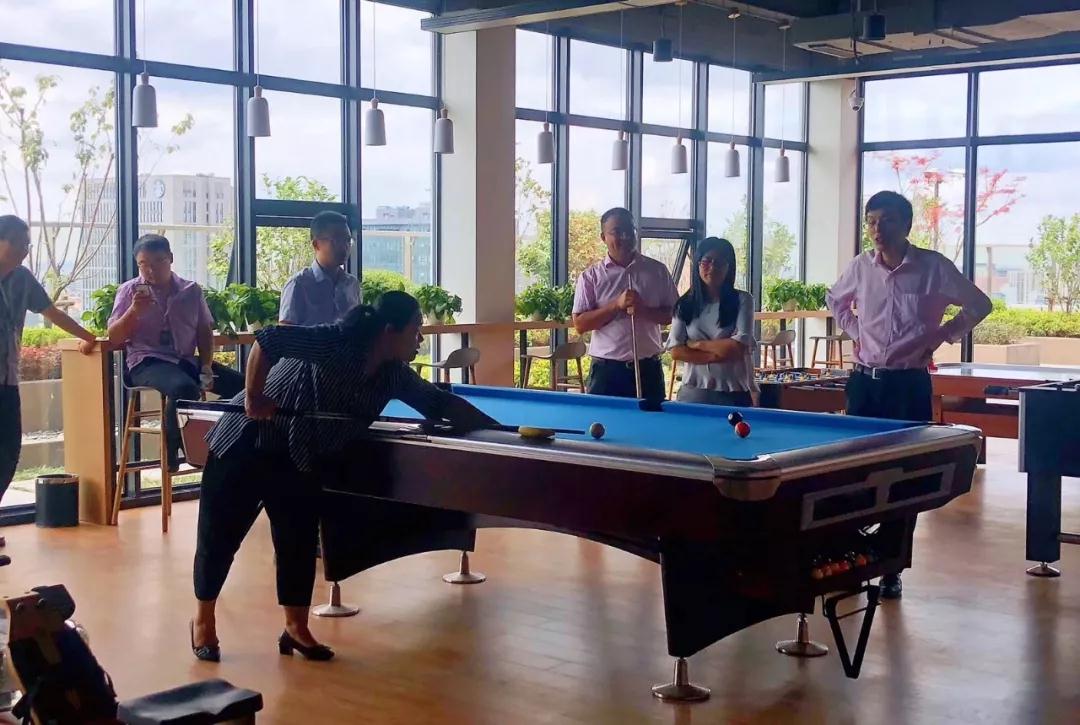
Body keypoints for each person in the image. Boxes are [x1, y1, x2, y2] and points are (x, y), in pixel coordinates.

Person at [190, 291, 498, 663]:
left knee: (297, 542)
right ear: (389, 330)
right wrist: (253, 397)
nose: (421, 338)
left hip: (298, 454)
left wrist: (496, 430)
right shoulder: (335, 341)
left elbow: (440, 403)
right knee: (220, 536)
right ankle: (203, 621)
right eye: (415, 329)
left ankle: (295, 629)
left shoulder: (393, 374)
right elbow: (267, 340)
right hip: (245, 440)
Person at [826, 190, 992, 600]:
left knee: (904, 476)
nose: (877, 229)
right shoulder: (860, 267)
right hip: (865, 383)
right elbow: (835, 300)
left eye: (886, 221)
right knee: (852, 471)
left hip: (908, 383)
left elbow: (979, 304)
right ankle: (852, 559)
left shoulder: (933, 267)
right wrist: (856, 330)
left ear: (906, 225)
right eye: (871, 221)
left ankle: (891, 566)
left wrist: (943, 334)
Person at [107, 234, 243, 471]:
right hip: (146, 362)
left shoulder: (191, 291)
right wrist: (134, 310)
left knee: (244, 387)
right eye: (143, 264)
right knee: (184, 388)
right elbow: (114, 336)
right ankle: (173, 449)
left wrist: (206, 366)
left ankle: (222, 436)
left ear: (170, 258)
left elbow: (204, 332)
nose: (150, 270)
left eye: (158, 262)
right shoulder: (129, 291)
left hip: (186, 361)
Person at [0, 215, 97, 517]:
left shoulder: (22, 278)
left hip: (7, 380)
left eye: (27, 245)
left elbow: (51, 312)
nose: (24, 250)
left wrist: (88, 337)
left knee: (9, 452)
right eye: (18, 243)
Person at [572, 208, 679, 402]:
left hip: (648, 370)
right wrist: (616, 305)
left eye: (630, 230)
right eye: (617, 231)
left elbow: (673, 314)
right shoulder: (590, 277)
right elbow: (580, 324)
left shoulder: (658, 271)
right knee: (602, 420)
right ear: (603, 237)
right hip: (606, 372)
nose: (625, 236)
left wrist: (644, 310)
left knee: (652, 421)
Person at [667, 237, 757, 406]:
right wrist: (716, 354)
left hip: (733, 393)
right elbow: (676, 352)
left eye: (720, 263)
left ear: (729, 267)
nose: (713, 268)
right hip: (693, 392)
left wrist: (696, 345)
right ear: (698, 264)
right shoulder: (684, 304)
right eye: (706, 261)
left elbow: (738, 348)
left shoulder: (743, 300)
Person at [279, 211, 361, 326]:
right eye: (337, 240)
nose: (344, 247)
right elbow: (285, 332)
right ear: (316, 244)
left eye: (347, 240)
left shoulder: (352, 284)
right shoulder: (298, 284)